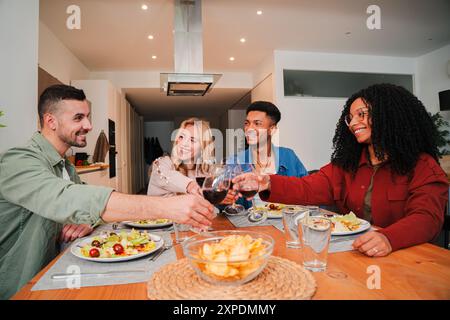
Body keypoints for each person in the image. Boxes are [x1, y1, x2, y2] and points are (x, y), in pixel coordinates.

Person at [0, 85, 214, 299]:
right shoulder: (18, 161)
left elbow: (81, 204)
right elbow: (68, 198)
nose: (89, 125)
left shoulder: (64, 165)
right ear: (51, 121)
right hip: (22, 286)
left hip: (56, 271)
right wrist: (167, 207)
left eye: (88, 117)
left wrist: (85, 219)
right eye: (78, 118)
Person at [233, 84, 448, 257]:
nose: (353, 123)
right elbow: (307, 186)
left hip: (409, 256)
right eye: (350, 117)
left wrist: (389, 238)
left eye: (361, 114)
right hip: (356, 253)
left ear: (388, 116)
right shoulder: (346, 165)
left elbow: (427, 218)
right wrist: (266, 182)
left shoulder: (422, 165)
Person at [223, 101, 308, 209]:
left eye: (257, 124)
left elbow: (308, 191)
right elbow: (223, 202)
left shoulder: (288, 156)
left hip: (286, 223)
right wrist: (224, 199)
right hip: (249, 224)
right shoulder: (234, 161)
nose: (249, 129)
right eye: (247, 123)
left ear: (272, 130)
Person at [147, 118, 215, 197]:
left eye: (192, 140)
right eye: (181, 137)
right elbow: (167, 176)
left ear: (203, 147)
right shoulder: (162, 163)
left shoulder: (203, 173)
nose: (183, 144)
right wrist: (191, 186)